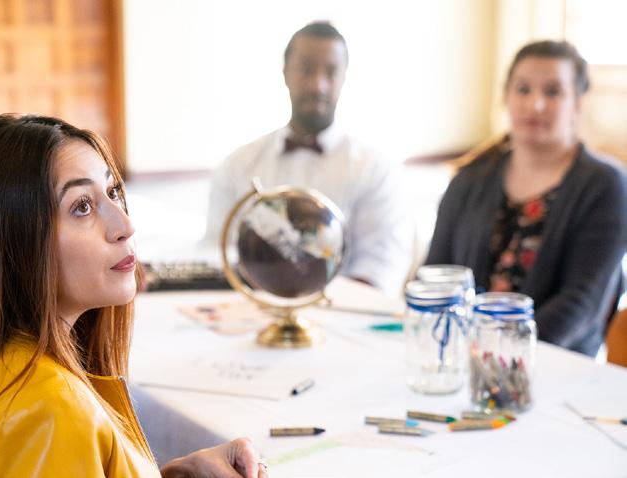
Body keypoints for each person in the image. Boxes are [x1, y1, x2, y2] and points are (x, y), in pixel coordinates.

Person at [0, 114, 265, 477]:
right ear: (12, 242)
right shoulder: (49, 409)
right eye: (82, 207)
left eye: (113, 192)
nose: (124, 225)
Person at [425, 40, 627, 356]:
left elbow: (581, 303)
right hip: (459, 358)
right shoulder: (468, 179)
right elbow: (436, 276)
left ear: (576, 102)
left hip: (555, 364)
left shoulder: (606, 185)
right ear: (506, 96)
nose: (536, 105)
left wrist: (501, 357)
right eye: (523, 89)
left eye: (553, 92)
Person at [204, 22, 411, 295]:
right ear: (285, 73)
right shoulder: (237, 165)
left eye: (331, 72)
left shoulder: (376, 170)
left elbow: (380, 270)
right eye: (306, 69)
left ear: (344, 77)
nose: (318, 85)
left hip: (344, 316)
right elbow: (216, 256)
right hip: (247, 311)